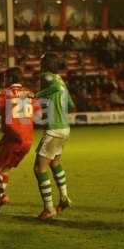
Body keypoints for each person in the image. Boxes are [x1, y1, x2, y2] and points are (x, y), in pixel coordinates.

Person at [0, 67, 36, 214]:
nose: (3, 81)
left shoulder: (6, 93)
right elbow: (37, 111)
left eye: (5, 78)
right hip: (28, 140)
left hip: (13, 137)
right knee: (4, 170)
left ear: (10, 79)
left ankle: (2, 195)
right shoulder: (30, 94)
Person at [34, 52, 75, 220]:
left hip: (54, 130)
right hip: (65, 128)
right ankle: (64, 197)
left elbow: (52, 89)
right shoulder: (61, 80)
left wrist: (34, 96)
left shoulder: (47, 77)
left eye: (41, 62)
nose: (39, 65)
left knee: (39, 168)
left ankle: (49, 209)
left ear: (45, 64)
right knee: (55, 163)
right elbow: (71, 104)